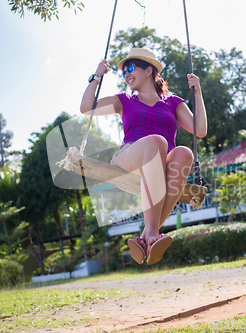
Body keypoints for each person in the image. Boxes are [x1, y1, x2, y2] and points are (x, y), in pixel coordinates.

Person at [80, 48, 207, 265]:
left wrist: (197, 93)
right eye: (123, 72)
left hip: (160, 168)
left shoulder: (173, 102)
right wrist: (97, 76)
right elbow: (86, 108)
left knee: (184, 152)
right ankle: (151, 232)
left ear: (149, 70)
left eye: (130, 68)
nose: (126, 74)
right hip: (128, 159)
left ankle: (149, 236)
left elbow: (200, 129)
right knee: (157, 140)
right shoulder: (124, 100)